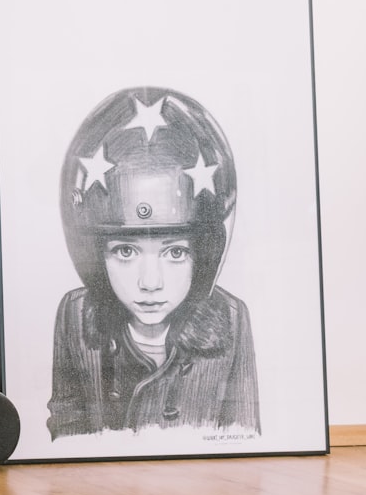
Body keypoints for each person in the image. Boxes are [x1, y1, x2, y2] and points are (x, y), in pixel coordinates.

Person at [47, 87, 260, 439]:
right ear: (96, 255)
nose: (150, 282)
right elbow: (67, 435)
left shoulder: (231, 321)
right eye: (125, 252)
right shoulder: (76, 315)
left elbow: (243, 436)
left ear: (203, 254)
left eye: (175, 252)